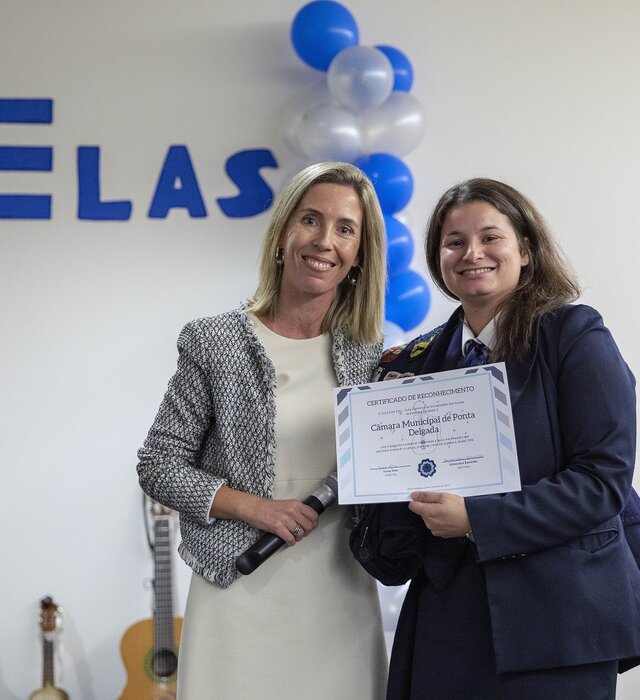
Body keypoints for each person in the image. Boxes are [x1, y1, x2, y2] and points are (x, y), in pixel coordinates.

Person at [350, 178, 640, 700]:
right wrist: (375, 462)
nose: (472, 253)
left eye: (490, 238)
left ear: (525, 250)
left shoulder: (574, 335)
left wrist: (476, 519)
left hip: (560, 622)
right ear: (438, 258)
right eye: (454, 241)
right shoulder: (412, 366)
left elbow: (602, 483)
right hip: (447, 624)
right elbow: (394, 512)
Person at [137, 161, 389, 699]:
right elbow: (158, 464)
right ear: (281, 234)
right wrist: (258, 509)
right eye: (310, 220)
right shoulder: (214, 341)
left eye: (345, 229)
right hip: (237, 587)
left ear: (360, 255)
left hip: (340, 593)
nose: (324, 241)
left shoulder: (372, 354)